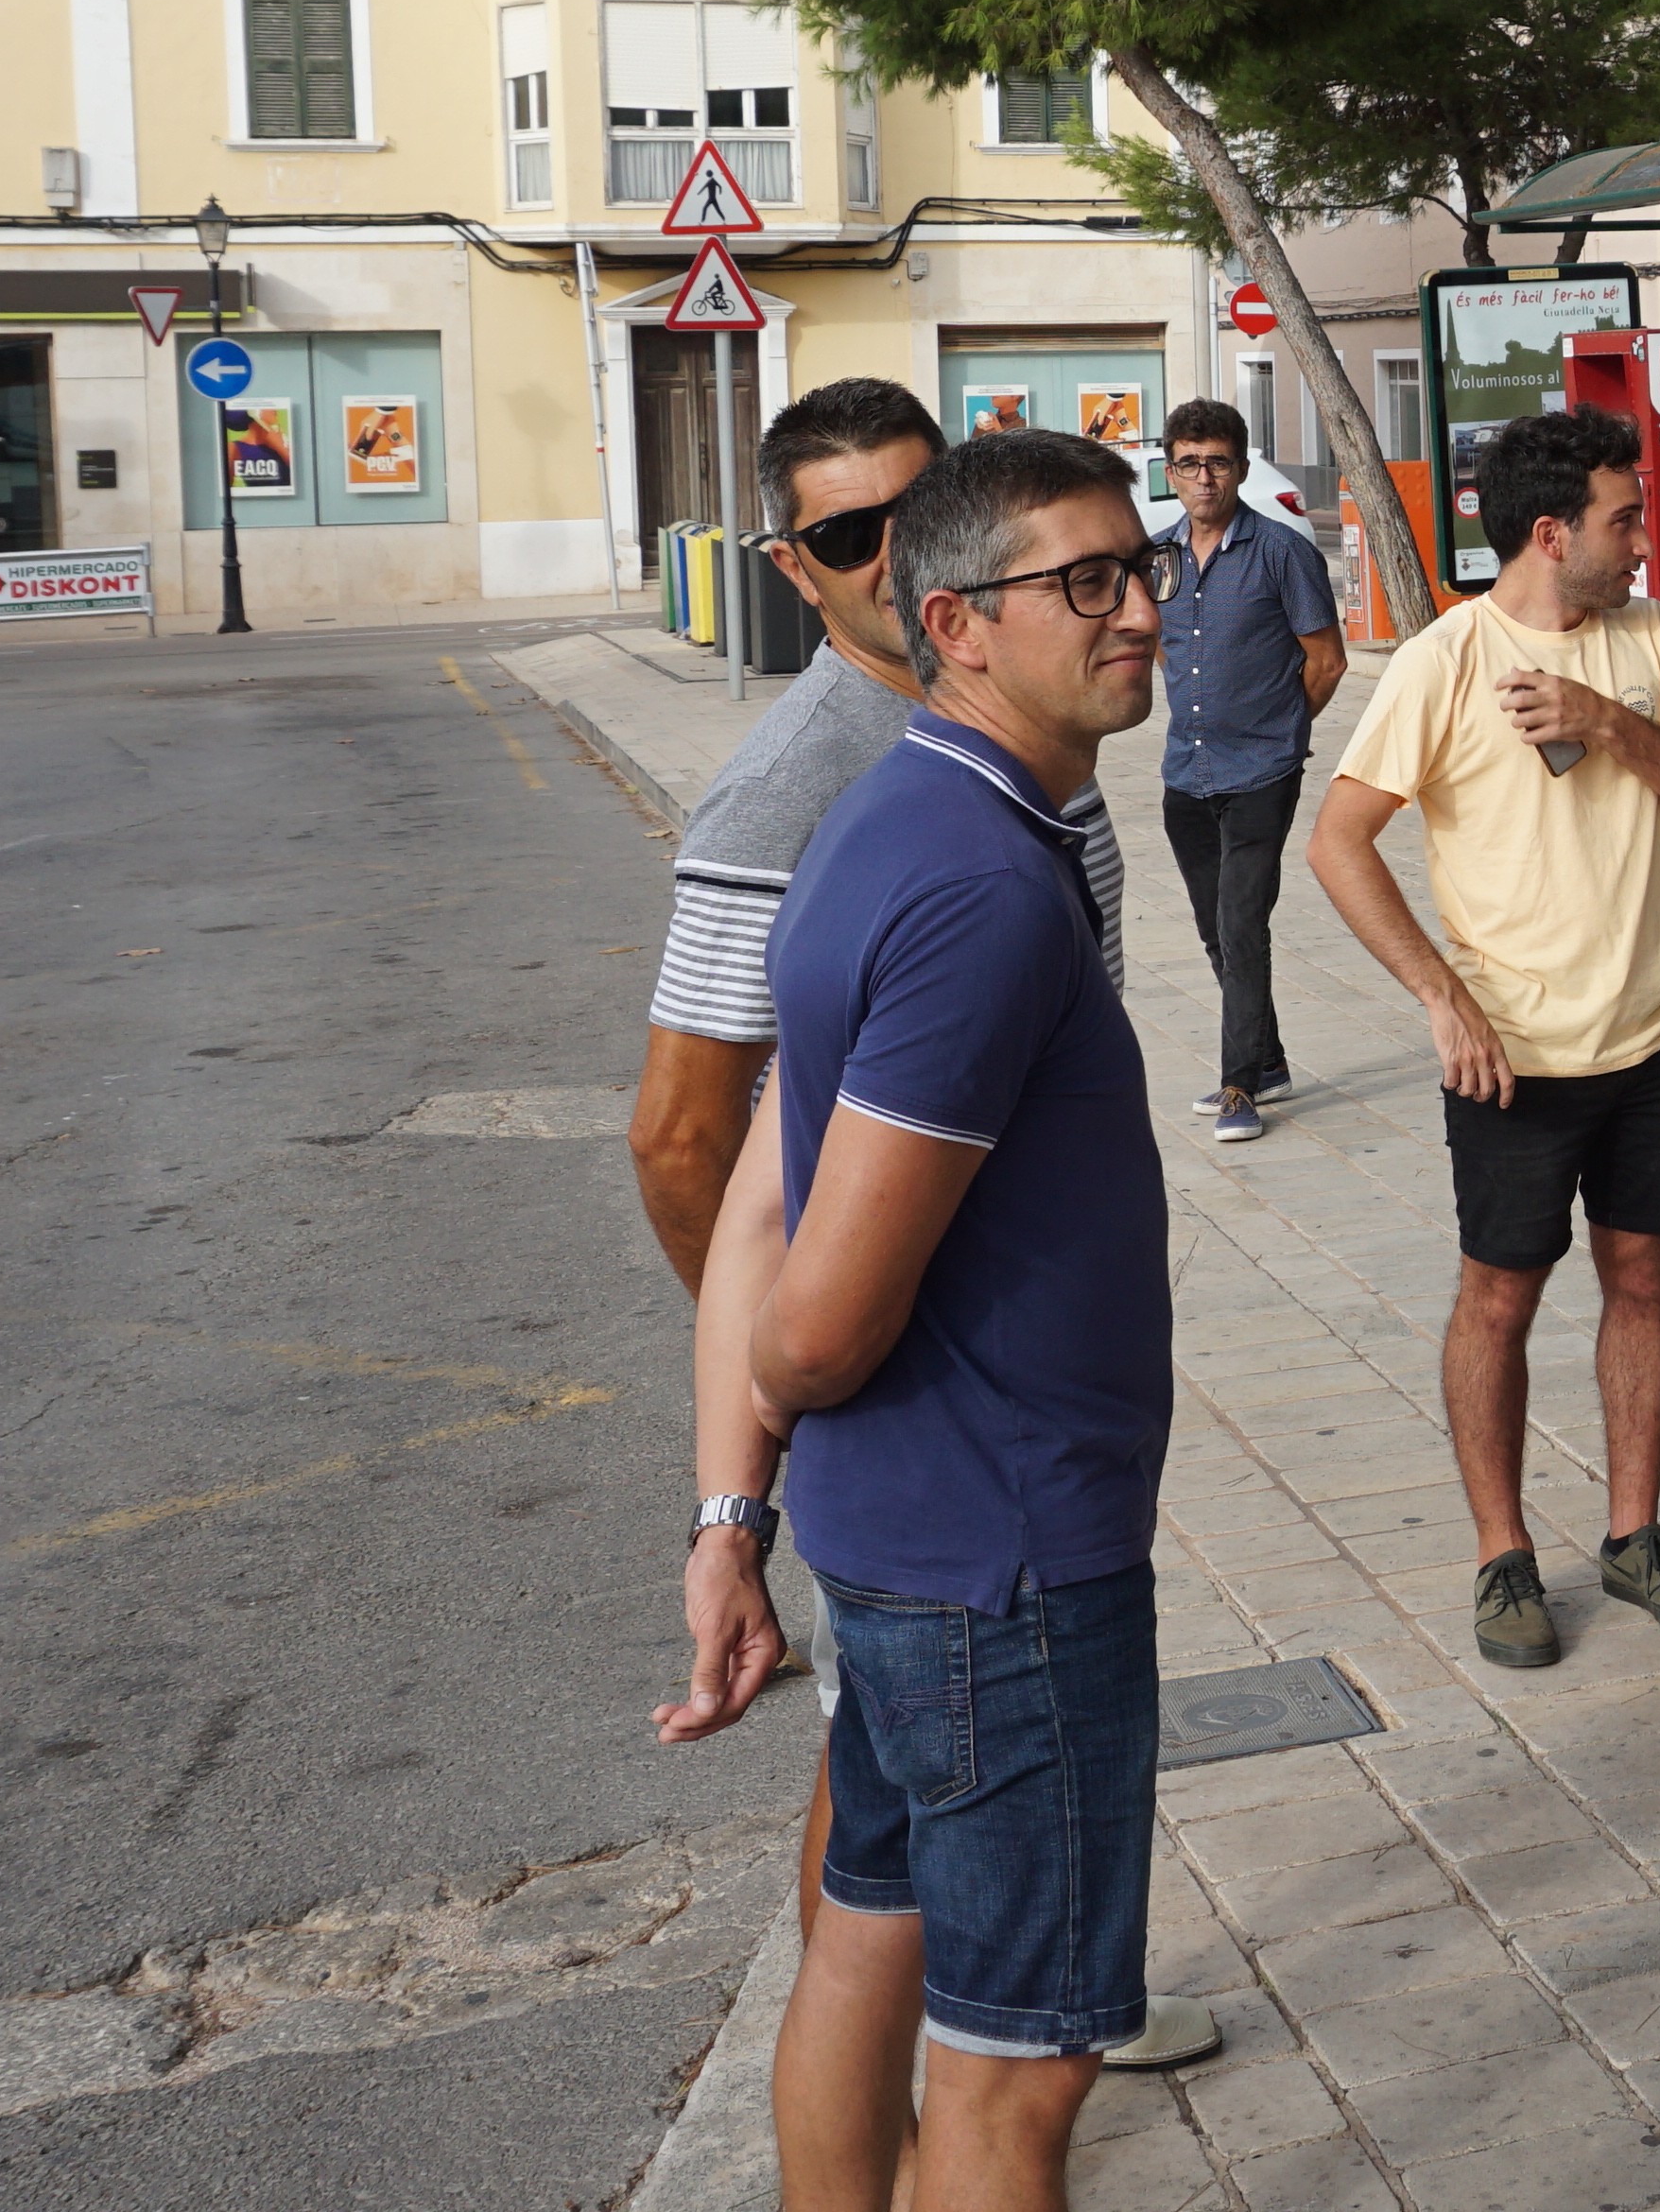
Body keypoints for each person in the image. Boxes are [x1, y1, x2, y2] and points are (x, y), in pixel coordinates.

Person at [631, 381, 1207, 2080]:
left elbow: (777, 1181)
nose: (1142, 611)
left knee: (869, 1949)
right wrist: (800, 1397)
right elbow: (748, 1214)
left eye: (1142, 568)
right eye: (1088, 584)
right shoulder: (927, 849)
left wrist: (739, 1505)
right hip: (993, 1540)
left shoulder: (933, 798)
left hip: (920, 1522)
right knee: (1016, 2080)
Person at [1309, 406, 1660, 1671]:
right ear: (1553, 533)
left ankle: (1634, 1533)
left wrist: (1605, 721)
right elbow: (1338, 843)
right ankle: (1504, 1559)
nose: (1642, 541)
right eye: (1624, 518)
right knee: (1499, 1297)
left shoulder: (1648, 636)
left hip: (1654, 1036)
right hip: (1515, 1058)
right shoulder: (1447, 659)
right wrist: (1441, 998)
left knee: (1644, 1281)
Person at [1147, 400, 1344, 1146]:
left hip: (1262, 771)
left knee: (1241, 924)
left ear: (1241, 468)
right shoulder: (1156, 557)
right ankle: (1269, 1060)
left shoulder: (1282, 552)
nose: (1204, 477)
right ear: (1172, 473)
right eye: (1190, 464)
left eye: (1219, 462)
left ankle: (1238, 1088)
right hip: (1185, 774)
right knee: (1211, 929)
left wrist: (1279, 734)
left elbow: (1325, 662)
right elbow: (1166, 648)